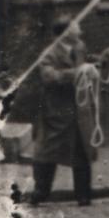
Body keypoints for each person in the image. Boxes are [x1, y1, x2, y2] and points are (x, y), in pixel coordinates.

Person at [29, 17, 96, 206]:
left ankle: (83, 194)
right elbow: (49, 76)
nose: (80, 29)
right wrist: (76, 73)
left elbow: (88, 61)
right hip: (56, 112)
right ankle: (41, 190)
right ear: (66, 32)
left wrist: (99, 62)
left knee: (82, 151)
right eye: (76, 26)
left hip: (79, 110)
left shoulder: (80, 47)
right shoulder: (49, 54)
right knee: (47, 151)